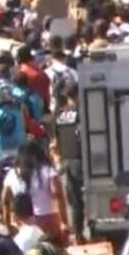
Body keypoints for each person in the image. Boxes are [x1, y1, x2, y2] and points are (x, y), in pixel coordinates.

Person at [1, 140, 71, 245]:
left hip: (22, 221)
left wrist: (8, 224)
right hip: (48, 218)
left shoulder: (12, 174)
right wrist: (63, 222)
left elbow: (5, 200)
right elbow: (58, 195)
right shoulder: (47, 170)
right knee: (53, 249)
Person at [51, 83, 84, 237]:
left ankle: (78, 234)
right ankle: (83, 232)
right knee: (83, 199)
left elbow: (55, 142)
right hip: (80, 160)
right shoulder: (81, 113)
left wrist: (58, 161)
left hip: (66, 161)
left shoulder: (60, 115)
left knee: (74, 200)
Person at [14, 45, 50, 109]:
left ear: (18, 58)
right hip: (45, 106)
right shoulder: (41, 71)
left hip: (31, 107)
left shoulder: (22, 72)